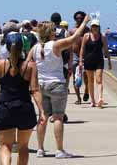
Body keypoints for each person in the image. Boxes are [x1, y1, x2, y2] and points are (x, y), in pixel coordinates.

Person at [28, 16, 89, 158]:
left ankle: (40, 149)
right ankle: (59, 150)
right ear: (50, 33)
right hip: (57, 84)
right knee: (58, 117)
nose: (55, 32)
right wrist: (85, 22)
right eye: (53, 31)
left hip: (41, 85)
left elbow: (28, 63)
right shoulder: (55, 45)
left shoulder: (35, 48)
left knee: (42, 116)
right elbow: (74, 38)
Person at [0, 33, 47, 165]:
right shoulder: (30, 66)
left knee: (5, 146)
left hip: (5, 108)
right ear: (22, 47)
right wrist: (42, 111)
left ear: (6, 47)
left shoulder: (0, 65)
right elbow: (35, 89)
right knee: (23, 147)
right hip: (24, 109)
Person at [80, 19, 112, 108]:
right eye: (93, 26)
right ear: (91, 27)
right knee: (90, 81)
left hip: (99, 61)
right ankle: (93, 100)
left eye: (96, 26)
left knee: (99, 80)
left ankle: (100, 98)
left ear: (99, 27)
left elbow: (106, 50)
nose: (95, 28)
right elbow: (82, 49)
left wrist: (109, 61)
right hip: (88, 61)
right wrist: (80, 61)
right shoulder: (86, 36)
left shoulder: (103, 37)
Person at [70, 11, 88, 104]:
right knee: (75, 78)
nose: (79, 20)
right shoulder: (72, 31)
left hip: (86, 56)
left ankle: (87, 91)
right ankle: (78, 98)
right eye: (77, 18)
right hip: (75, 56)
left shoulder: (88, 30)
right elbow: (69, 44)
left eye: (81, 18)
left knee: (86, 77)